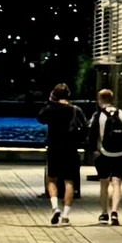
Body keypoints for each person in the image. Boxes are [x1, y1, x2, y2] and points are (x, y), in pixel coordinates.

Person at [90, 81, 122, 226]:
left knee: (104, 184)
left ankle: (104, 213)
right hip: (120, 154)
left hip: (104, 154)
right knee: (117, 184)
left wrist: (92, 150)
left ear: (99, 100)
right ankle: (115, 211)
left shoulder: (99, 116)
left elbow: (92, 135)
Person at [42, 82, 82, 228]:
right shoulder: (75, 109)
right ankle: (65, 214)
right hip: (70, 148)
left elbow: (40, 118)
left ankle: (55, 207)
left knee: (51, 179)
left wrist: (50, 101)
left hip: (54, 148)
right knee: (69, 181)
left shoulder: (51, 109)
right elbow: (84, 127)